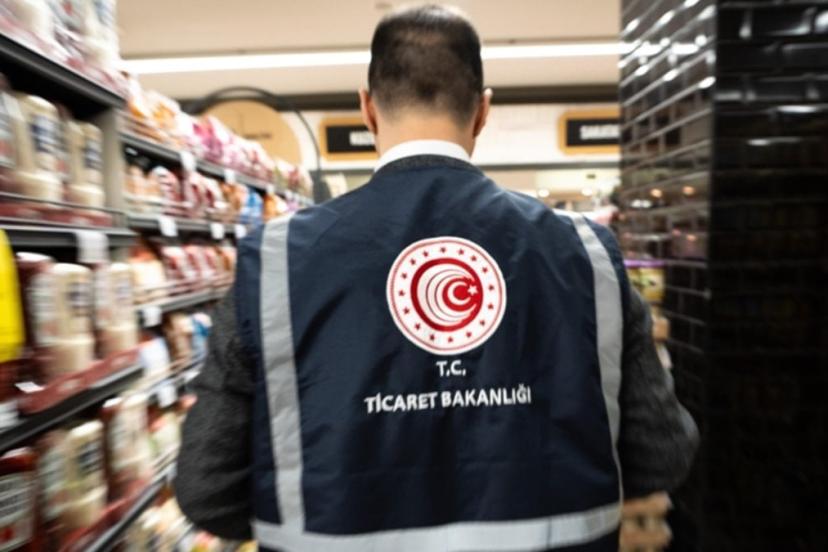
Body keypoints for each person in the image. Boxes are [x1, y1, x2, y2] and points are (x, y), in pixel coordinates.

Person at [174, 5, 698, 551]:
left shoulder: (277, 260)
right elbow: (662, 453)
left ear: (367, 109)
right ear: (483, 111)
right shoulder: (586, 253)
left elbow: (207, 490)